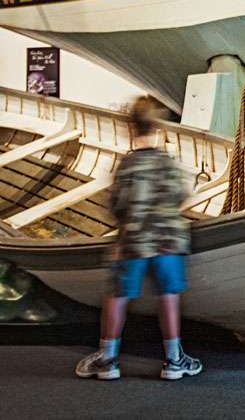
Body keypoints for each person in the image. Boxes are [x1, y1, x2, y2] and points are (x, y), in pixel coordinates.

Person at [75, 97, 203, 381]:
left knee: (118, 295)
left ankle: (108, 359)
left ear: (130, 128)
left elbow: (116, 205)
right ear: (159, 128)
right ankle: (174, 360)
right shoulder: (168, 162)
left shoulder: (127, 165)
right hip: (169, 240)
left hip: (133, 240)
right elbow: (181, 195)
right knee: (168, 295)